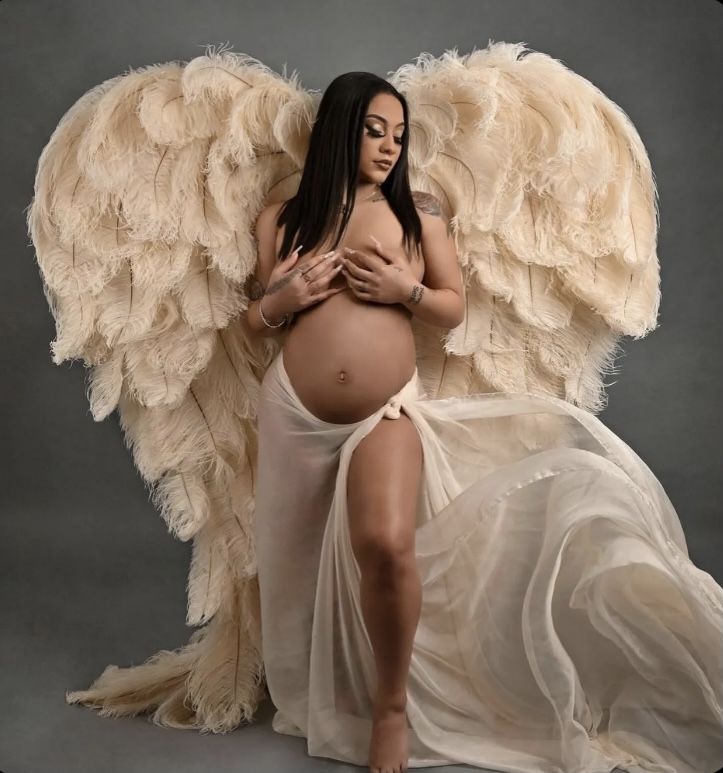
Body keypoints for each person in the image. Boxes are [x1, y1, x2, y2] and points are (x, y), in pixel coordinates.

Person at [243, 73, 723, 773]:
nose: (387, 146)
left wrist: (400, 289)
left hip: (385, 410)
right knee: (302, 565)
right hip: (294, 413)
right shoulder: (281, 219)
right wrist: (283, 296)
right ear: (337, 130)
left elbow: (450, 305)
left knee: (382, 541)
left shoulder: (418, 212)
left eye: (398, 134)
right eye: (374, 129)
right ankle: (332, 688)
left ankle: (392, 709)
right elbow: (257, 322)